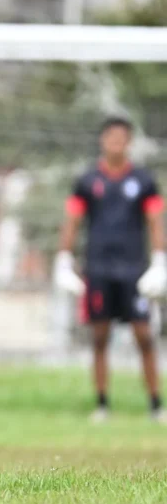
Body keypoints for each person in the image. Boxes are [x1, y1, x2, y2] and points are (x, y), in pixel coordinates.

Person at [53, 117, 166, 423]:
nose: (116, 144)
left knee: (144, 336)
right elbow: (72, 220)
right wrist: (63, 259)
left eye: (121, 139)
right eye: (111, 138)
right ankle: (102, 404)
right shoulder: (87, 180)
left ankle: (156, 404)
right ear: (103, 141)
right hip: (99, 269)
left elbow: (156, 220)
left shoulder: (144, 181)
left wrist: (160, 261)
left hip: (134, 271)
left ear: (129, 142)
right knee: (100, 337)